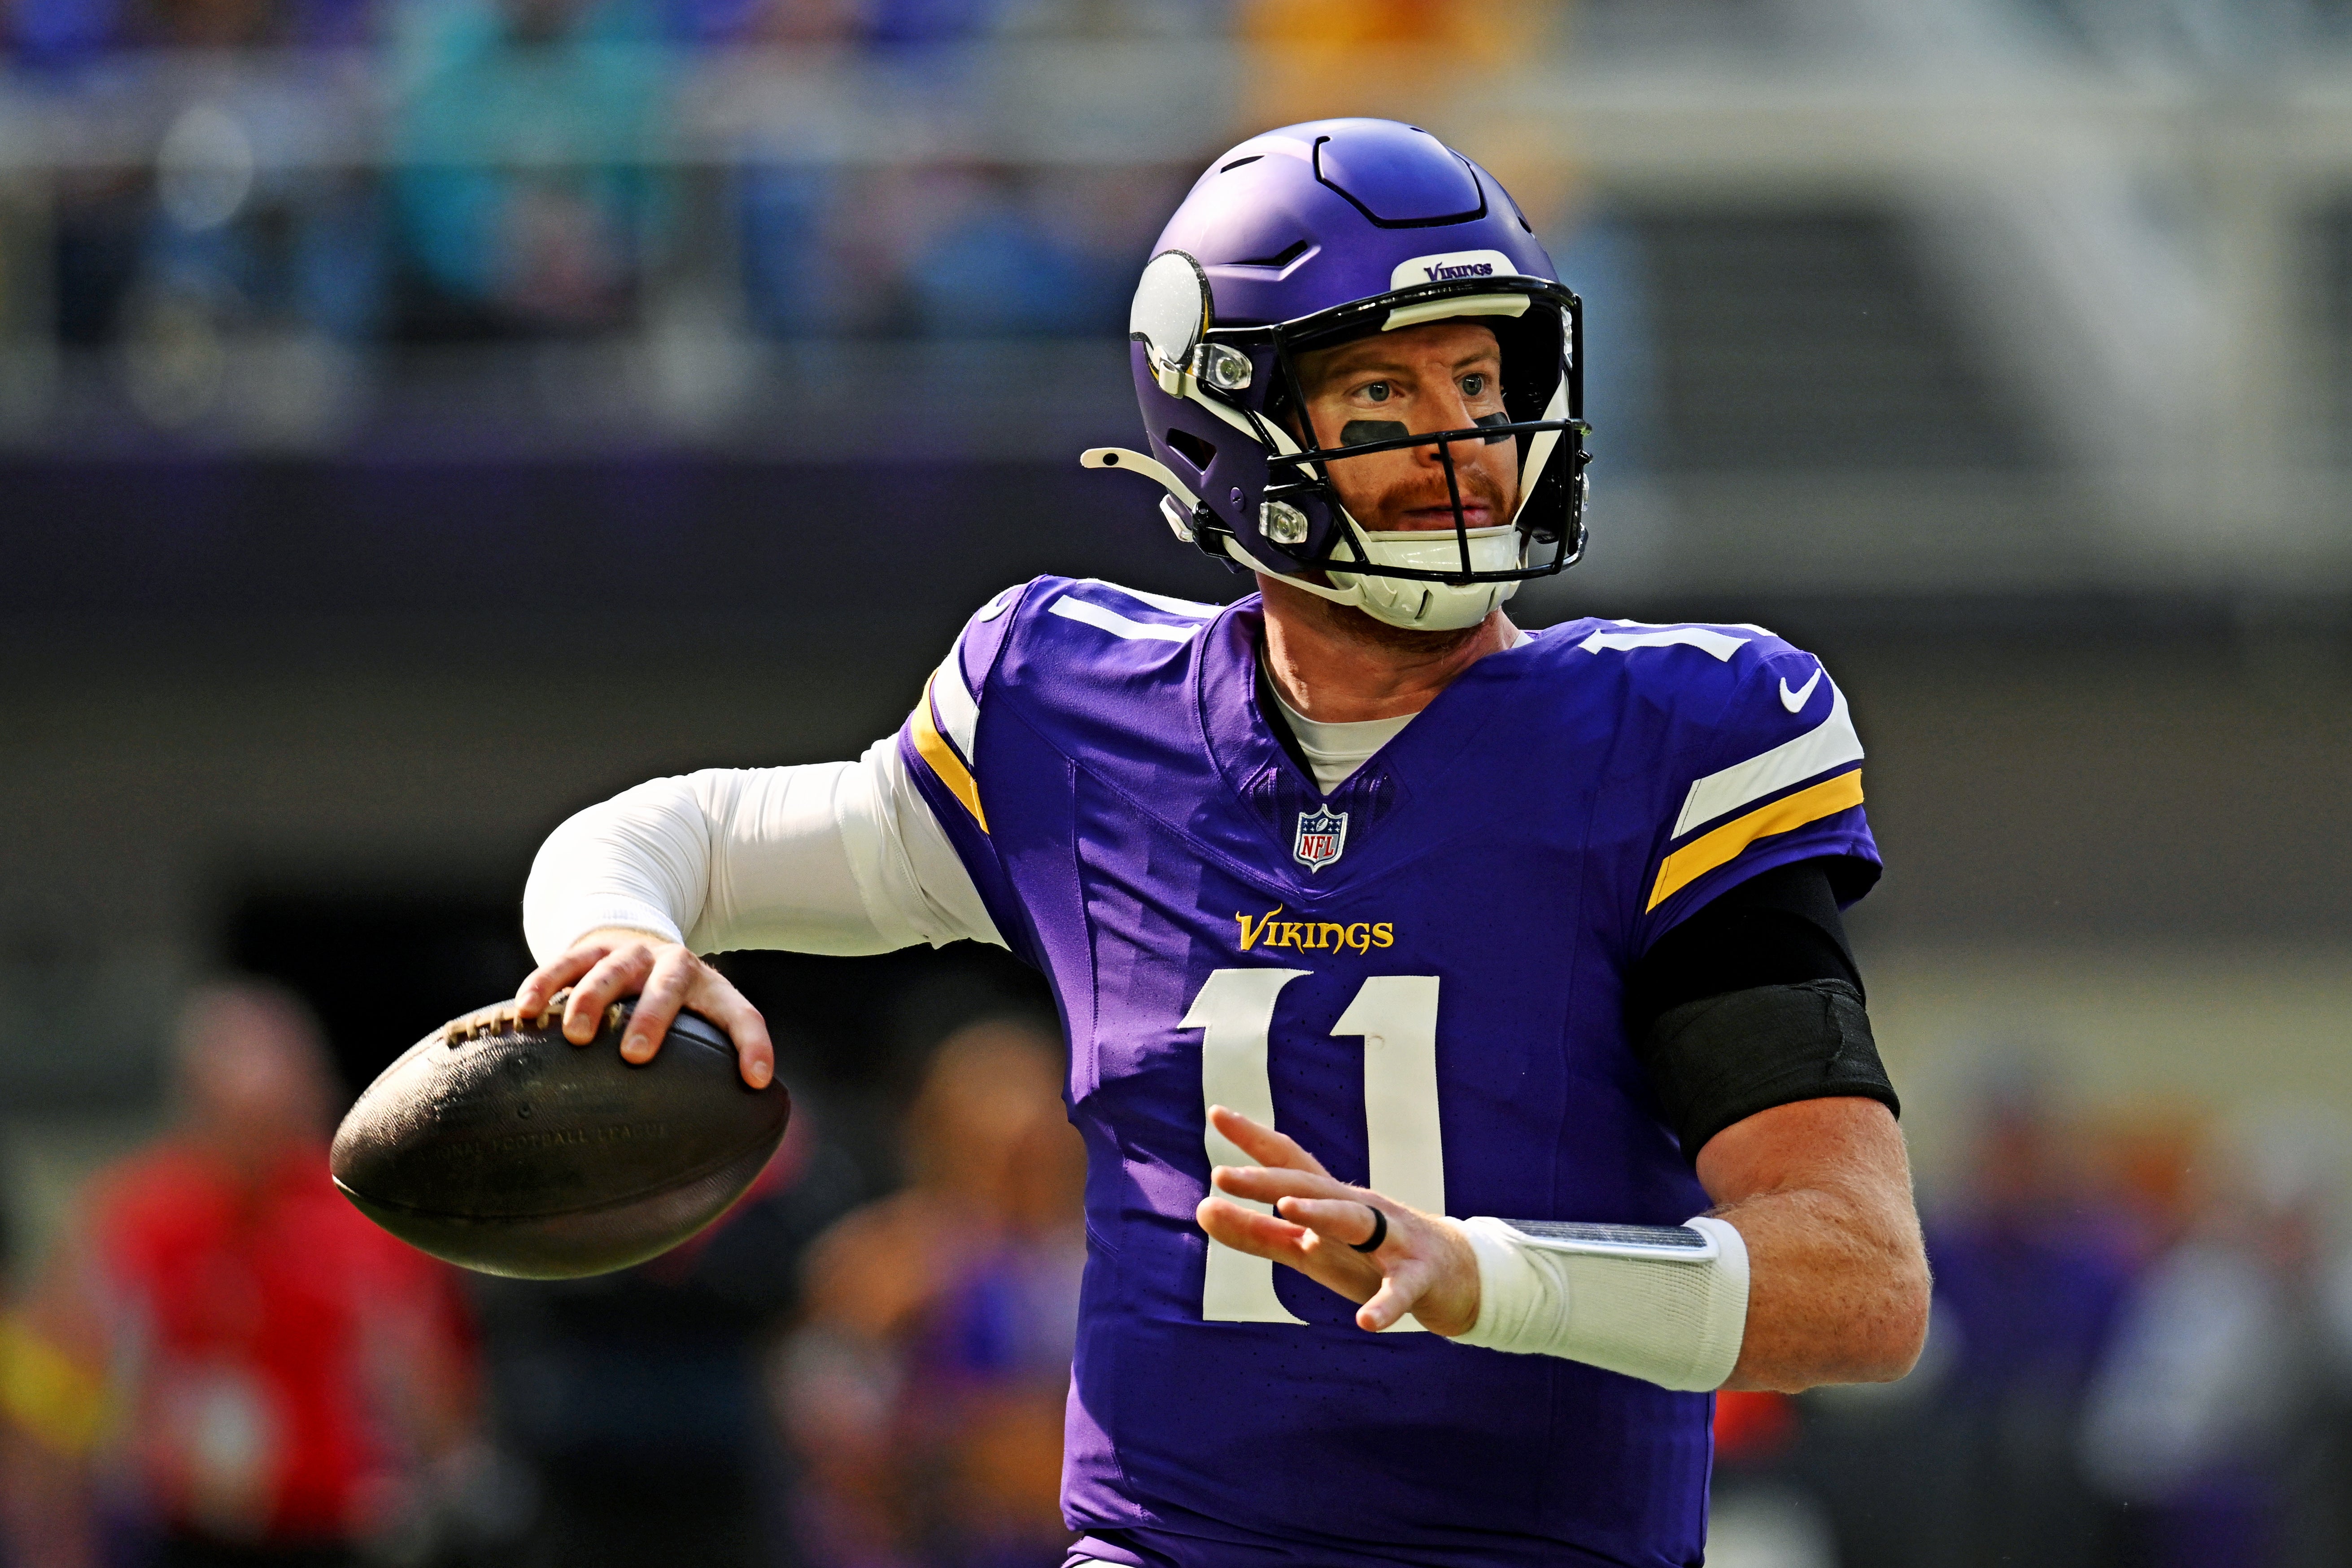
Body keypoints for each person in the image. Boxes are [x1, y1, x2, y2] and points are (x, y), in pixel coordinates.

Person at [513, 118, 1929, 1566]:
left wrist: (1482, 1274)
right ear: (1229, 419)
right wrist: (617, 934)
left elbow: (1860, 1283)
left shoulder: (1675, 738)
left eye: (1478, 381)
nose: (1463, 445)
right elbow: (676, 835)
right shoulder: (1072, 709)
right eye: (1383, 392)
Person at [4, 980, 476, 1568]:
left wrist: (437, 1488)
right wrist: (56, 1533)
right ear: (195, 1107)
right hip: (178, 1532)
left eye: (273, 1119)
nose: (256, 1151)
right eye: (234, 1119)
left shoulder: (369, 1221)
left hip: (336, 1529)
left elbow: (437, 1392)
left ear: (313, 1098)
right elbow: (54, 1388)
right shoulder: (136, 1217)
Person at [781, 1018, 1085, 1567]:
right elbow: (829, 1445)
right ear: (936, 1140)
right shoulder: (875, 1263)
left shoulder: (1111, 1268)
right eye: (985, 1153)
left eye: (1035, 1155)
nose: (1015, 1182)